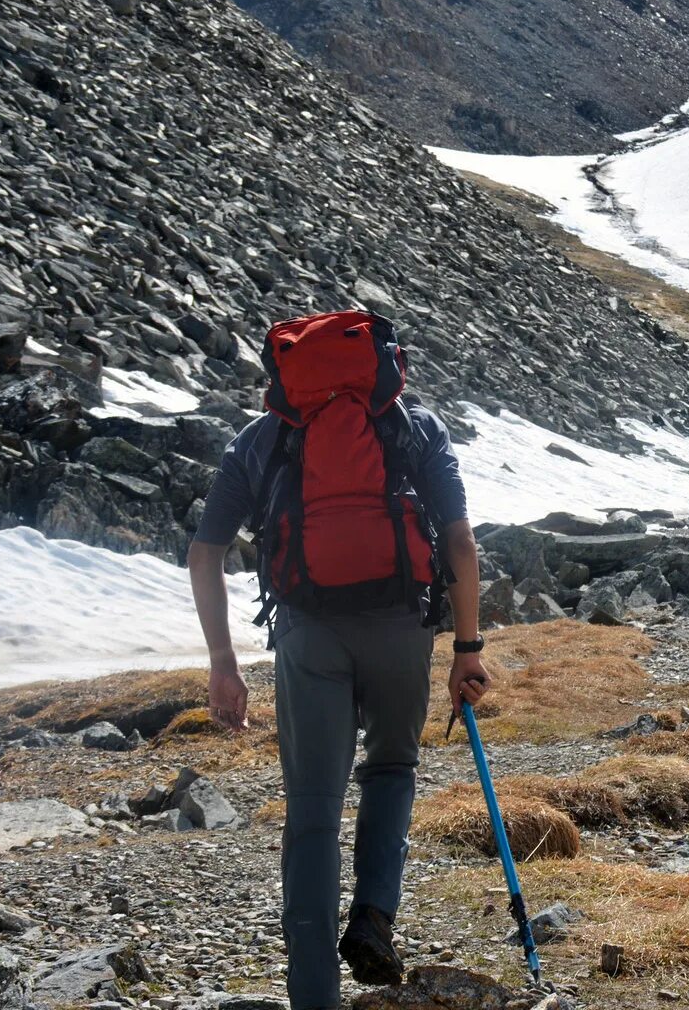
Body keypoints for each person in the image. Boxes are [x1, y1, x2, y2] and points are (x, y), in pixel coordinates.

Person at [187, 311, 488, 1009]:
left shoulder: (265, 437)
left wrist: (223, 662)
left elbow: (206, 553)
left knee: (314, 810)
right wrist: (467, 648)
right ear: (383, 365)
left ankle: (312, 993)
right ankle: (375, 917)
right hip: (401, 625)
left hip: (307, 633)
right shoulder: (414, 428)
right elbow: (461, 544)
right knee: (391, 768)